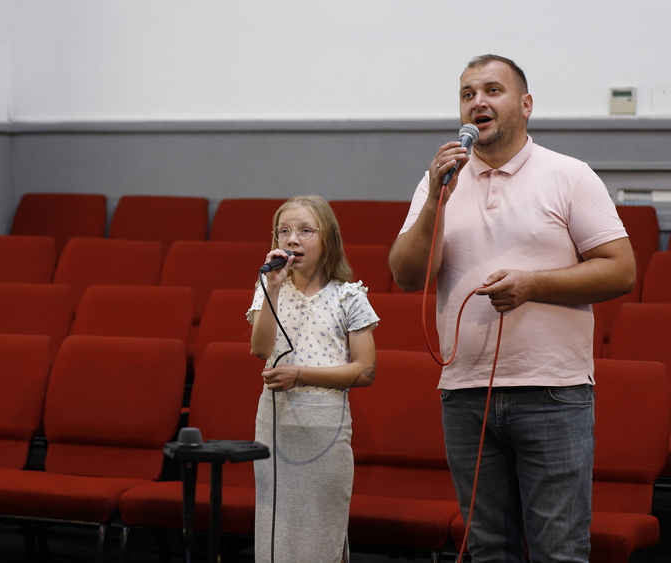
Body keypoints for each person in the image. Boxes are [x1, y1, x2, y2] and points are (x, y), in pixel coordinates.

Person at [389, 54, 636, 562]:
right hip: (465, 394)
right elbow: (407, 276)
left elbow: (621, 270)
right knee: (486, 550)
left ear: (526, 105)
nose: (477, 101)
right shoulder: (440, 181)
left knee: (558, 551)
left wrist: (533, 284)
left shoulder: (568, 175)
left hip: (553, 392)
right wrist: (436, 200)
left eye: (492, 90)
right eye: (467, 94)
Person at [248, 195, 378, 562]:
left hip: (324, 426)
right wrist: (273, 288)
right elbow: (260, 348)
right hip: (276, 423)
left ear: (328, 239)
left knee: (320, 531)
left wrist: (301, 375)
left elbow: (365, 370)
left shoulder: (349, 296)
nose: (293, 239)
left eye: (306, 231)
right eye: (284, 231)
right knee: (276, 529)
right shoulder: (267, 288)